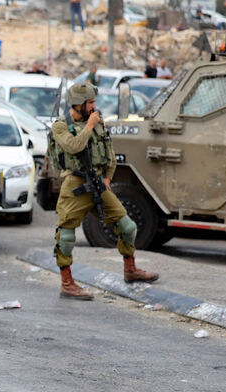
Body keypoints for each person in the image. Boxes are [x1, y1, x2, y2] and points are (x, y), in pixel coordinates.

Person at [51, 82, 159, 300]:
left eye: (93, 102)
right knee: (66, 236)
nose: (93, 106)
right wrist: (89, 126)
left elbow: (109, 152)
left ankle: (130, 269)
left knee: (128, 227)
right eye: (90, 102)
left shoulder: (98, 122)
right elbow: (74, 146)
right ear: (78, 105)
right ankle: (67, 283)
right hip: (75, 186)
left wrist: (108, 177)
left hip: (99, 184)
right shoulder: (61, 126)